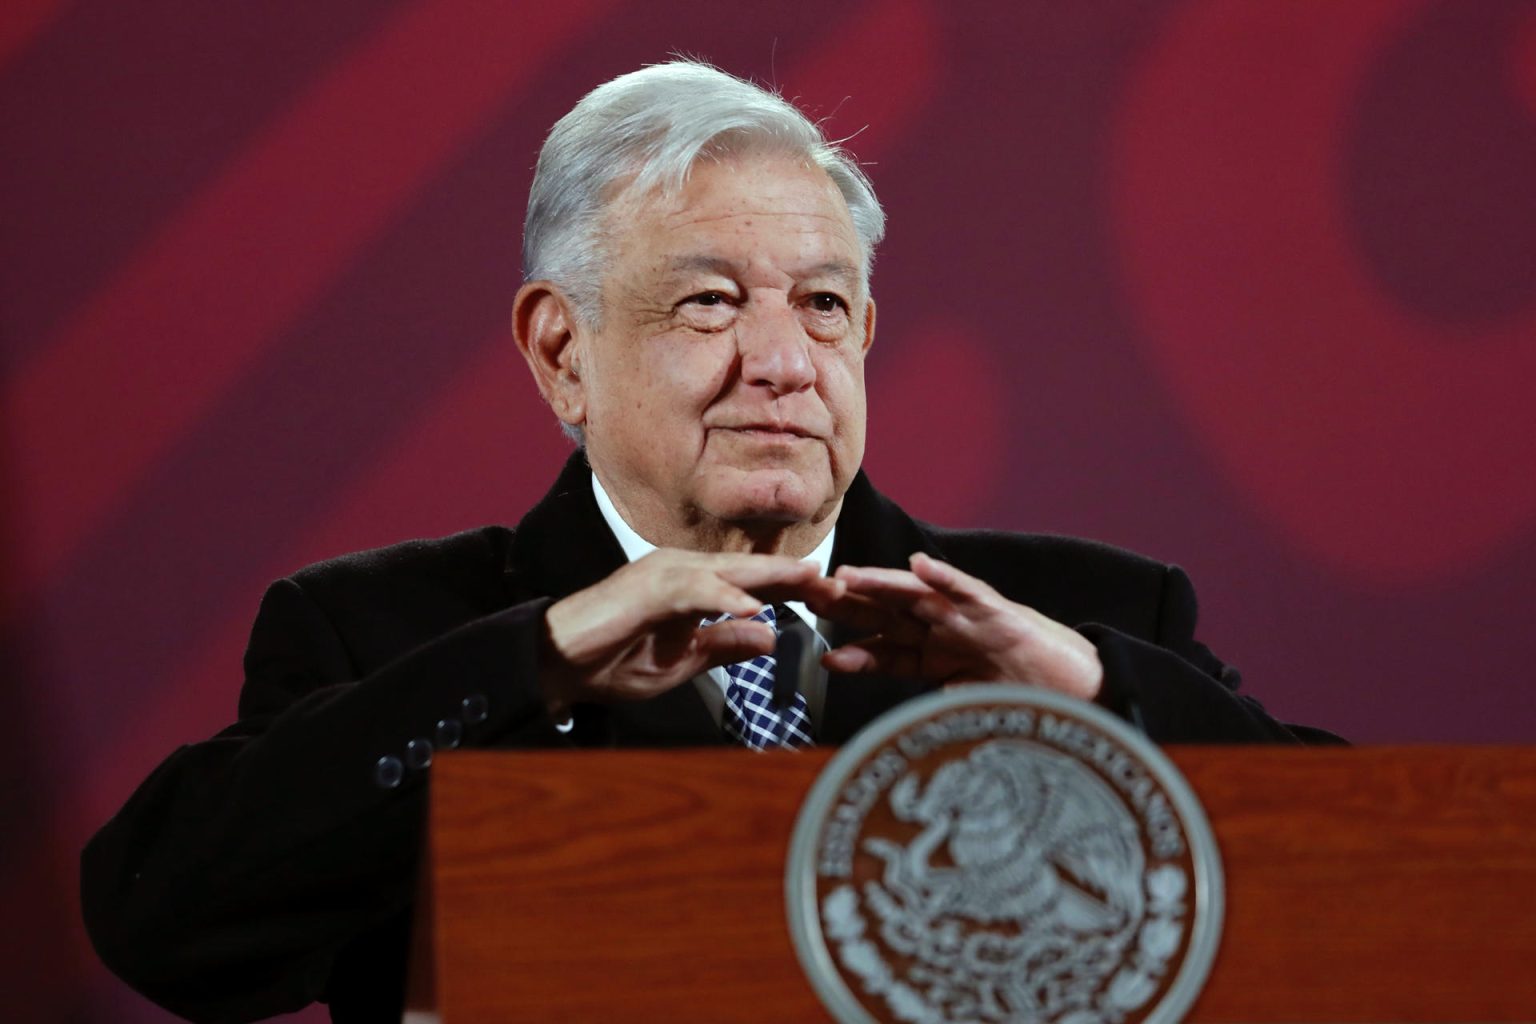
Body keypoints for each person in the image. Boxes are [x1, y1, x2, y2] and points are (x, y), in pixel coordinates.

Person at [81, 61, 1337, 1024]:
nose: (784, 364)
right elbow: (169, 925)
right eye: (710, 303)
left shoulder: (1085, 617)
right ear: (562, 351)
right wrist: (542, 659)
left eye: (825, 305)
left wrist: (1096, 699)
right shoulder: (387, 635)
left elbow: (1369, 901)